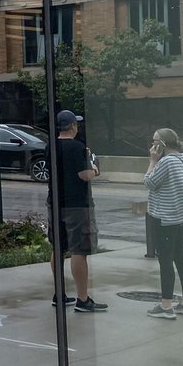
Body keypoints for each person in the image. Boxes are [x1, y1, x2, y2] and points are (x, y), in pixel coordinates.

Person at [50, 110, 106, 312]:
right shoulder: (78, 147)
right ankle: (83, 298)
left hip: (55, 202)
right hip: (77, 205)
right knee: (79, 250)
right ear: (73, 126)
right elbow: (85, 175)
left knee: (58, 247)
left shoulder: (51, 146)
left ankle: (59, 294)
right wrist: (95, 169)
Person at [143, 128, 183, 319]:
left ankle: (166, 306)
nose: (152, 144)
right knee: (181, 257)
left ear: (162, 144)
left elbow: (149, 182)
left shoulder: (165, 162)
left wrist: (152, 162)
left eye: (154, 141)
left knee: (165, 260)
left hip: (165, 217)